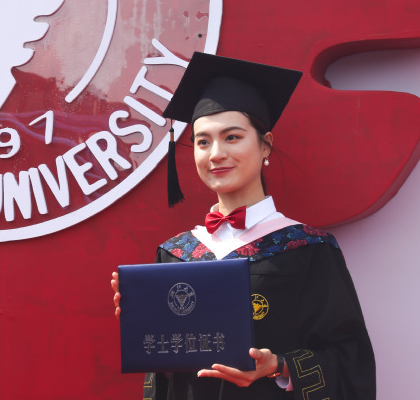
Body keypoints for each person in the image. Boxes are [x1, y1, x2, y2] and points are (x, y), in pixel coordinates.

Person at [111, 52, 375, 399]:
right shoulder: (175, 253)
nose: (215, 153)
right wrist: (144, 325)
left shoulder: (307, 249)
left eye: (232, 137)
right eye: (203, 141)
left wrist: (280, 366)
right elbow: (164, 376)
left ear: (265, 144)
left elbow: (349, 359)